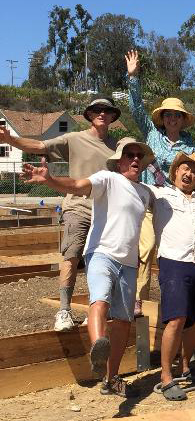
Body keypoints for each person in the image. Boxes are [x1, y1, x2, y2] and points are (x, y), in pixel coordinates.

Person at [22, 138, 154, 397]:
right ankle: (98, 348)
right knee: (100, 302)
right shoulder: (108, 178)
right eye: (130, 154)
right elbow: (78, 185)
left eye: (139, 155)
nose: (136, 159)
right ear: (119, 160)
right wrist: (51, 181)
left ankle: (111, 378)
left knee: (124, 321)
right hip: (101, 253)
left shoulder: (145, 193)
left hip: (128, 263)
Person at [0, 97, 120, 332]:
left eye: (107, 110)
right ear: (89, 115)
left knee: (100, 262)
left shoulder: (118, 146)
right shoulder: (74, 139)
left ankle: (95, 312)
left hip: (106, 212)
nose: (102, 113)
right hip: (78, 207)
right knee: (71, 256)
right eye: (97, 110)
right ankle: (64, 310)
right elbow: (40, 146)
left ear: (113, 116)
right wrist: (10, 140)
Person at [125, 50, 195, 316]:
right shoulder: (151, 133)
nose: (172, 118)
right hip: (150, 198)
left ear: (182, 119)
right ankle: (137, 299)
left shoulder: (190, 144)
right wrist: (133, 76)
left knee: (176, 252)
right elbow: (135, 108)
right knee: (146, 247)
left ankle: (183, 300)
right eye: (168, 114)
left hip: (174, 203)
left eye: (176, 115)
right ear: (163, 117)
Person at [149, 152, 195, 400]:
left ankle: (184, 365)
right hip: (174, 261)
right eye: (185, 168)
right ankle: (166, 378)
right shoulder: (160, 195)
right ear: (175, 172)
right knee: (176, 319)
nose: (189, 174)